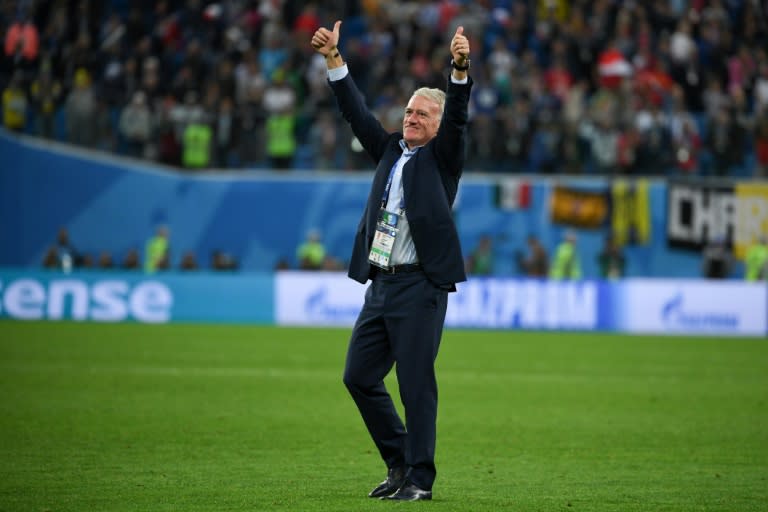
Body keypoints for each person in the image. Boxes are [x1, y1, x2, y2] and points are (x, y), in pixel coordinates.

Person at [312, 21, 472, 501]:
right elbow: (354, 112)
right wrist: (335, 60)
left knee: (415, 385)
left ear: (438, 126)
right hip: (381, 285)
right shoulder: (389, 151)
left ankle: (420, 480)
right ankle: (400, 462)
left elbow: (459, 115)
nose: (412, 118)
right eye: (408, 111)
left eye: (423, 114)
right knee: (357, 376)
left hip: (421, 288)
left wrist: (459, 69)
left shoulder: (443, 159)